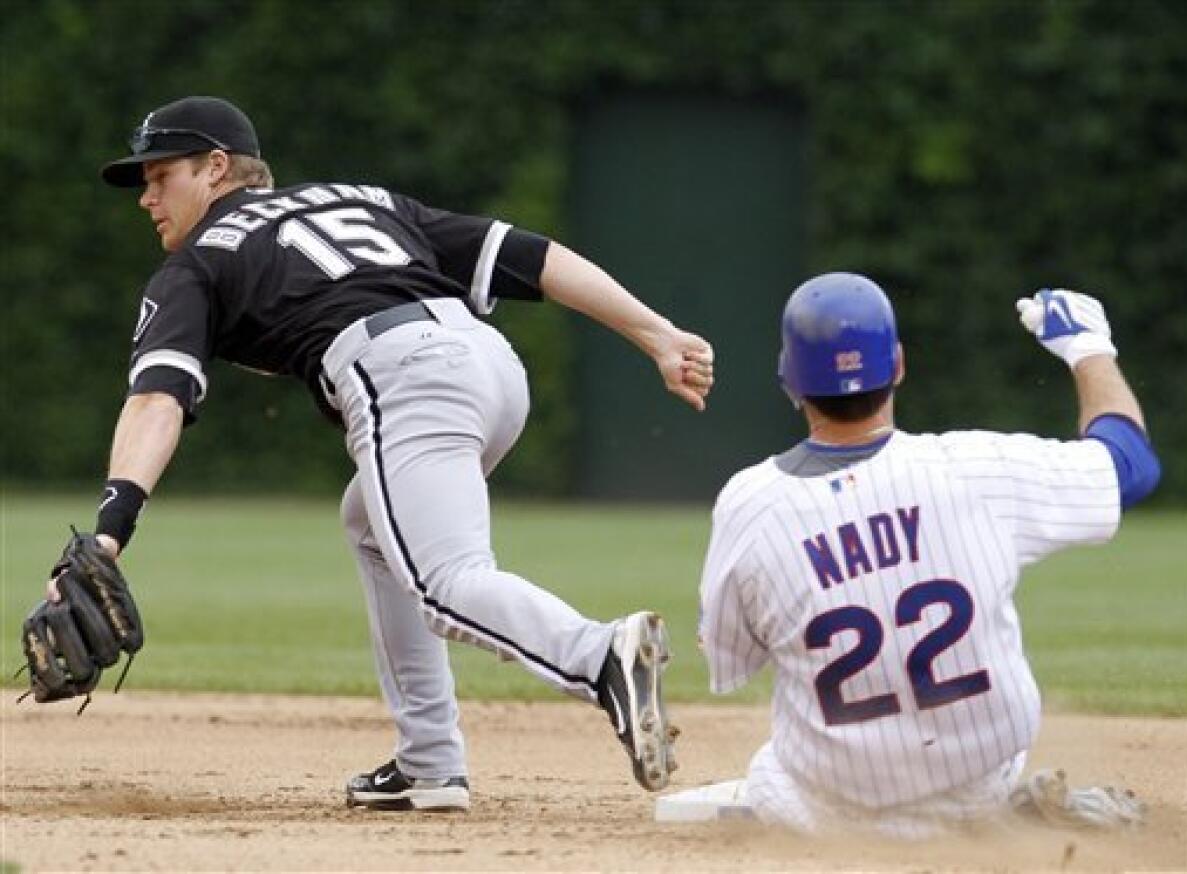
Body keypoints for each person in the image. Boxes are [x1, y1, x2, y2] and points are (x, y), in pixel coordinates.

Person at [66, 95, 714, 807]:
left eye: (160, 176)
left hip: (402, 375)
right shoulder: (357, 197)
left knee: (445, 582)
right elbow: (530, 257)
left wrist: (111, 526)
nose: (147, 198)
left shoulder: (196, 264)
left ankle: (600, 657)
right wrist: (656, 333)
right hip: (489, 366)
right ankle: (430, 763)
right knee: (370, 523)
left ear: (216, 168)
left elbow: (157, 399)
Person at [692, 273, 1159, 836]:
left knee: (771, 770)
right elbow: (1129, 468)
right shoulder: (973, 468)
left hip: (827, 809)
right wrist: (1089, 349)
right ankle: (1004, 814)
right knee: (979, 777)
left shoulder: (751, 503)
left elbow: (731, 661)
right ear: (898, 365)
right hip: (978, 783)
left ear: (788, 380)